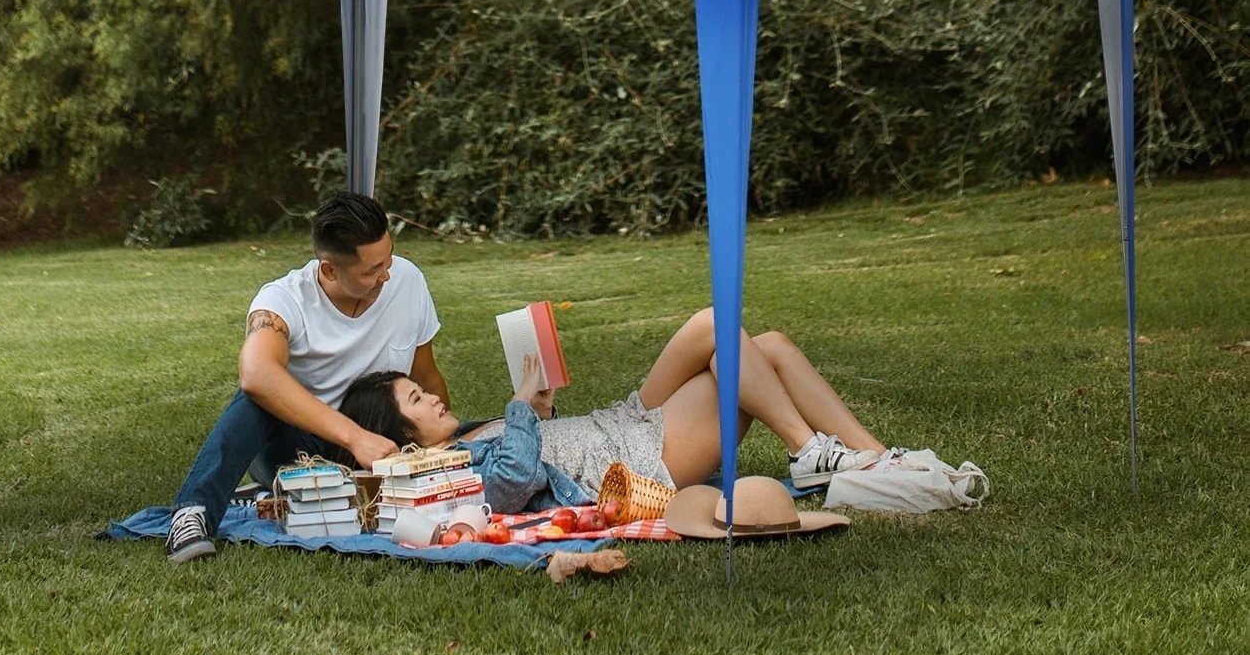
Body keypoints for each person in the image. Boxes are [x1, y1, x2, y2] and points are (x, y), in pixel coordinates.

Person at [339, 309, 889, 515]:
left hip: (620, 424)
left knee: (750, 339)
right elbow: (514, 481)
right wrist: (518, 406)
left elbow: (541, 451)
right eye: (417, 400)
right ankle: (808, 452)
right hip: (638, 460)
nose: (434, 395)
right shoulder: (446, 475)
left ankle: (876, 457)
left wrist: (539, 411)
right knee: (734, 345)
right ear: (404, 438)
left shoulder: (466, 433)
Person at [166, 191, 450, 563]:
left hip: (385, 451)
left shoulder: (407, 281)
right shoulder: (284, 300)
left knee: (489, 432)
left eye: (389, 258)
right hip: (300, 449)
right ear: (329, 270)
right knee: (258, 396)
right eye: (371, 271)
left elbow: (425, 373)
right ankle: (193, 512)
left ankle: (284, 496)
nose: (386, 275)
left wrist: (447, 447)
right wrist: (355, 437)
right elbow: (255, 374)